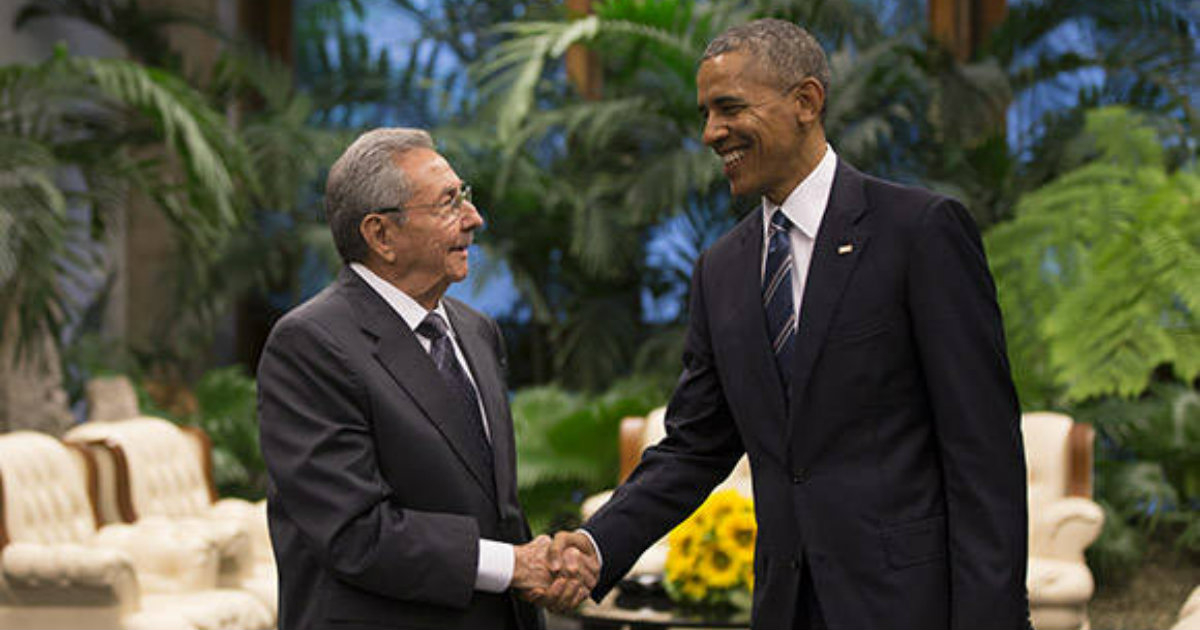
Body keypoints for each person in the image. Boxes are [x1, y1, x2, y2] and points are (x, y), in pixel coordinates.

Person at [546, 18, 1031, 630]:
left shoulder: (920, 231)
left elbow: (982, 450)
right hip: (785, 608)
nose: (711, 132)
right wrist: (594, 548)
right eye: (704, 113)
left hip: (913, 607)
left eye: (729, 108)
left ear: (806, 101)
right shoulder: (720, 270)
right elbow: (694, 446)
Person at [258, 128, 571, 629]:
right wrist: (511, 565)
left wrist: (540, 570)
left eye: (464, 196)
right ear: (381, 235)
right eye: (449, 204)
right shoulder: (309, 345)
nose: (474, 218)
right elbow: (354, 534)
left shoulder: (476, 330)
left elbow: (495, 508)